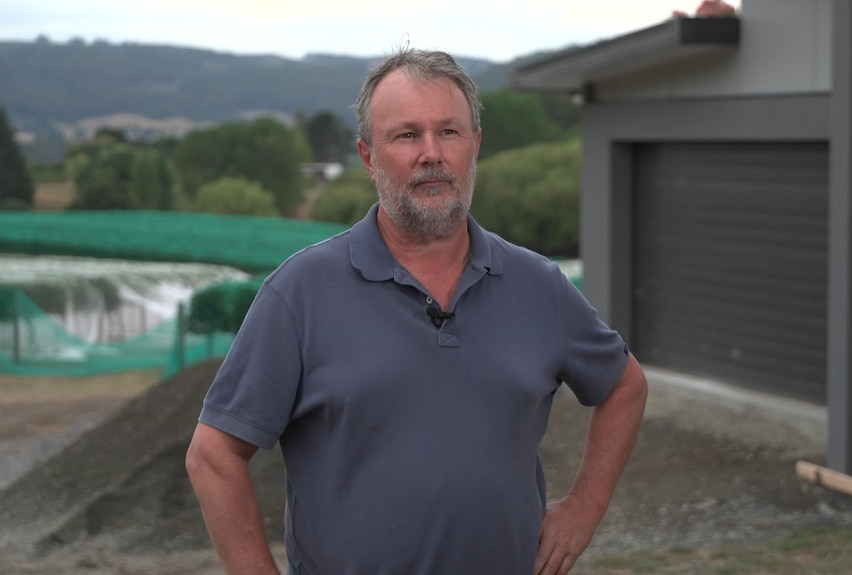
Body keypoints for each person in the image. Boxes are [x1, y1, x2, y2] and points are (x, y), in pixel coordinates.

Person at [185, 47, 648, 575]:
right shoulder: (302, 293)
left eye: (448, 132)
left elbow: (625, 386)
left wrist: (585, 508)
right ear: (367, 156)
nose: (431, 153)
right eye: (406, 135)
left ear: (475, 146)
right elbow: (213, 456)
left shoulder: (538, 286)